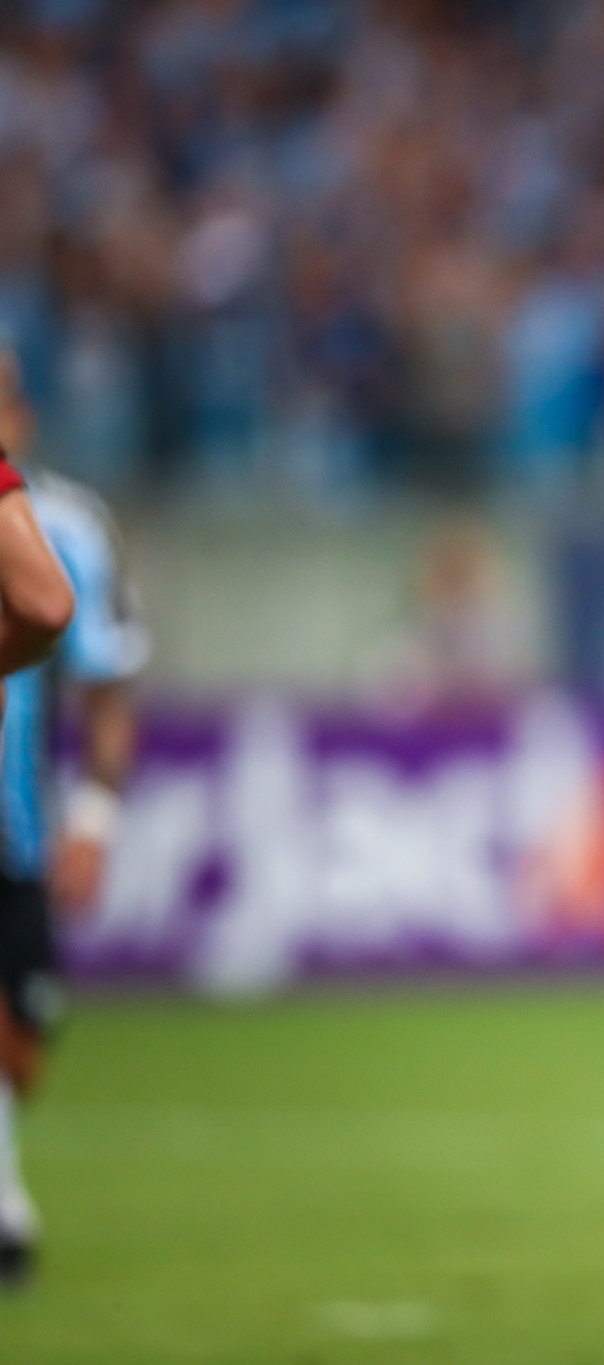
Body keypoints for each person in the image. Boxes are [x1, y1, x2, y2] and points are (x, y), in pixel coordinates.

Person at [0, 355, 144, 1284]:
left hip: (15, 828)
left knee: (22, 1042)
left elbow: (104, 681)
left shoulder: (67, 526)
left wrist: (93, 817)